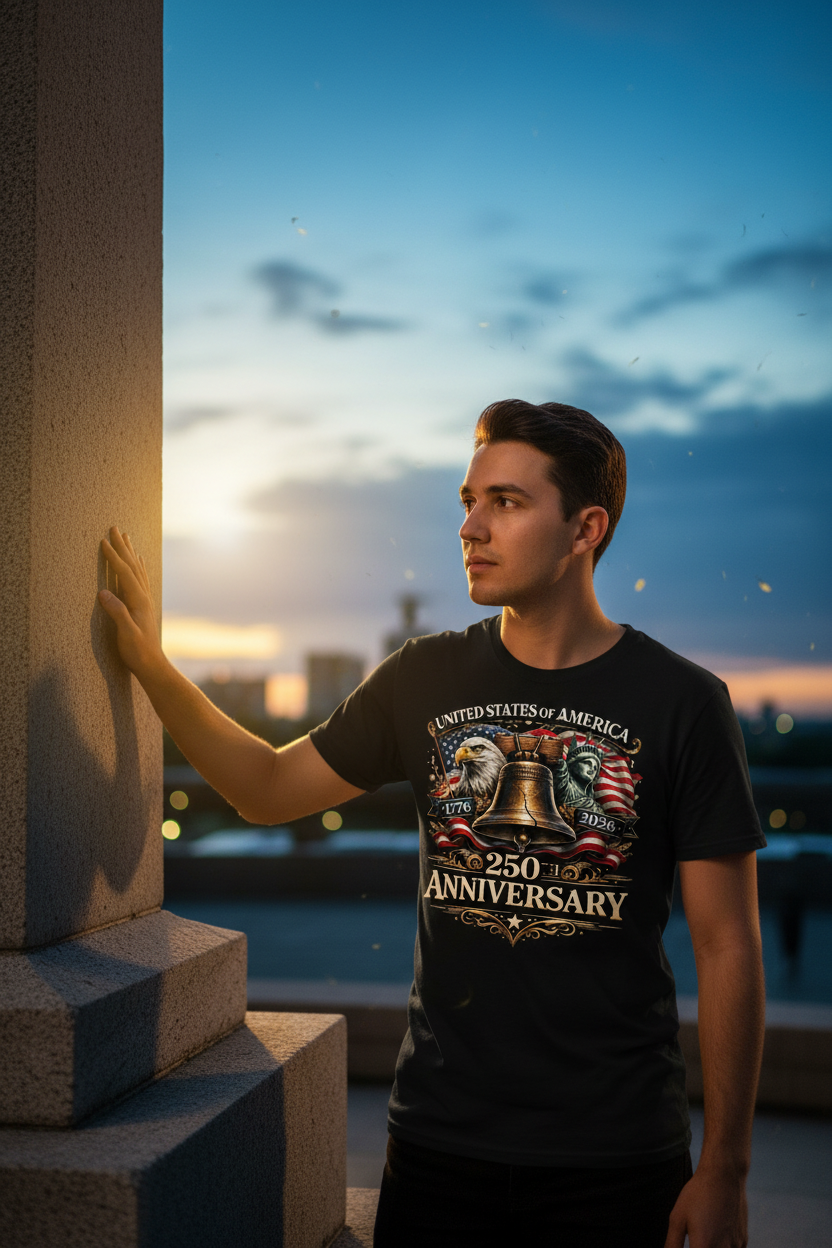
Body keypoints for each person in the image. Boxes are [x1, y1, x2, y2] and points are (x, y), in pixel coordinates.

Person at [99, 398, 766, 1248]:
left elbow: (727, 946)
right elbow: (266, 789)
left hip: (618, 1159)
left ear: (584, 529)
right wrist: (153, 666)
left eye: (507, 503)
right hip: (438, 1151)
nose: (470, 526)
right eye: (468, 499)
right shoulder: (425, 676)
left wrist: (727, 1169)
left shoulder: (682, 703)